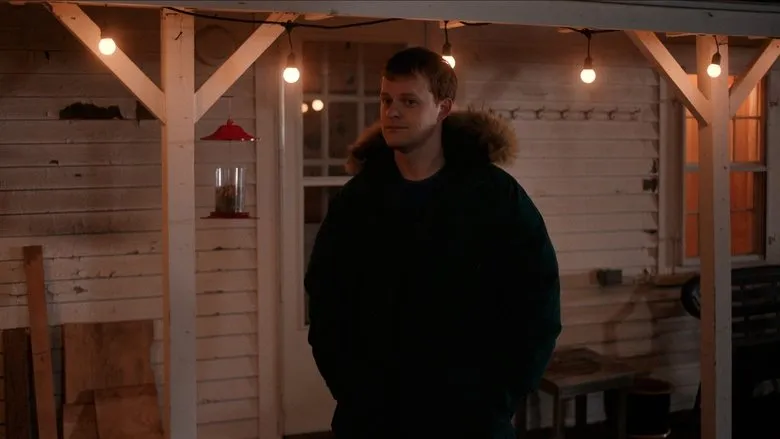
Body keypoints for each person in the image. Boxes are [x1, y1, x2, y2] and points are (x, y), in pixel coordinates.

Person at [304, 46, 562, 439]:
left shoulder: (492, 195)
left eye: (409, 101)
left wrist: (499, 396)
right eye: (387, 100)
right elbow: (326, 297)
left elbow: (537, 298)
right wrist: (353, 390)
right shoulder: (359, 200)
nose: (392, 112)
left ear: (443, 108)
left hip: (470, 417)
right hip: (373, 417)